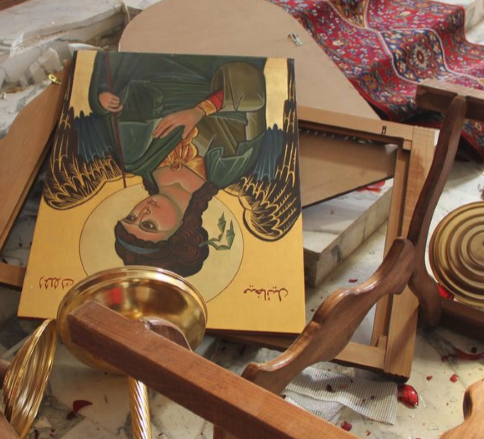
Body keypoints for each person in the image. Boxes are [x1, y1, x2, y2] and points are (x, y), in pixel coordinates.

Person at [45, 52, 299, 278]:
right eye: (149, 225)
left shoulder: (132, 155)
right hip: (226, 54)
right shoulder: (232, 166)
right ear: (179, 233)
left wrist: (100, 97)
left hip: (151, 46)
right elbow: (253, 91)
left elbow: (115, 72)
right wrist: (201, 109)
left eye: (131, 217)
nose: (142, 212)